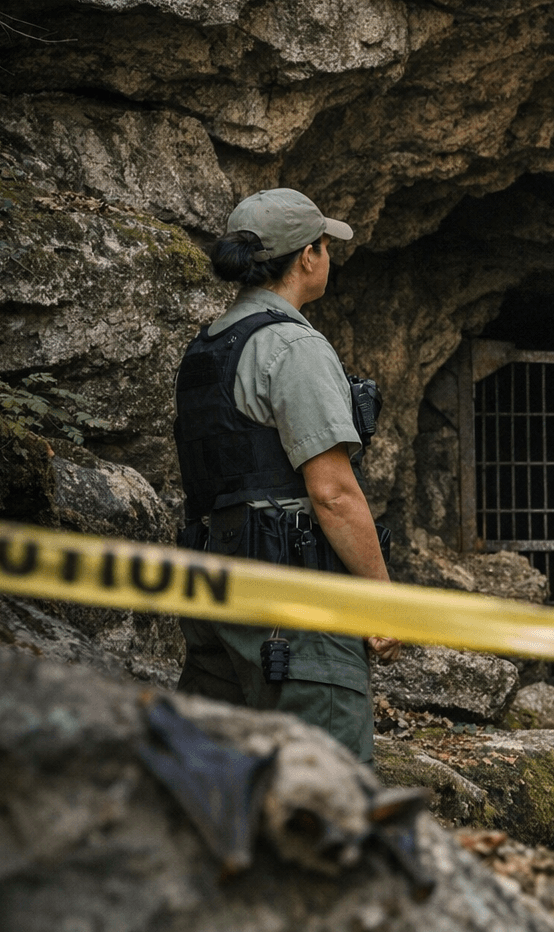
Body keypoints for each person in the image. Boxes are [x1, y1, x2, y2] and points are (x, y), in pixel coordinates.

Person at [173, 188, 399, 762]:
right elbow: (333, 493)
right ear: (307, 256)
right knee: (325, 786)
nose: (328, 257)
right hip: (293, 607)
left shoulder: (206, 349)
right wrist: (381, 601)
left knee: (216, 783)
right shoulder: (293, 346)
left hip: (215, 599)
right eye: (325, 245)